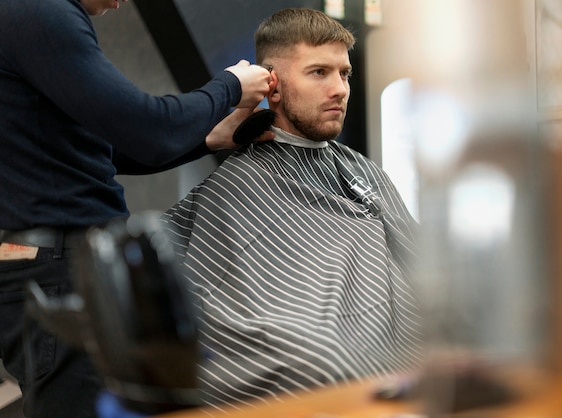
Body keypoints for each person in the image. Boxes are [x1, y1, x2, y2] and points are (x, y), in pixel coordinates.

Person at [0, 0, 274, 417]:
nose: (124, 1)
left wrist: (210, 139)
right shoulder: (39, 10)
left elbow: (107, 147)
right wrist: (230, 87)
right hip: (58, 266)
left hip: (53, 260)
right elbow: (148, 129)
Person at [162, 7, 422, 409]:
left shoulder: (363, 171)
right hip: (313, 361)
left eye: (344, 74)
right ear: (273, 86)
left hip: (395, 348)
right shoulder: (242, 183)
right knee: (330, 367)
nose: (339, 89)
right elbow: (223, 310)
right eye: (319, 72)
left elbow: (419, 265)